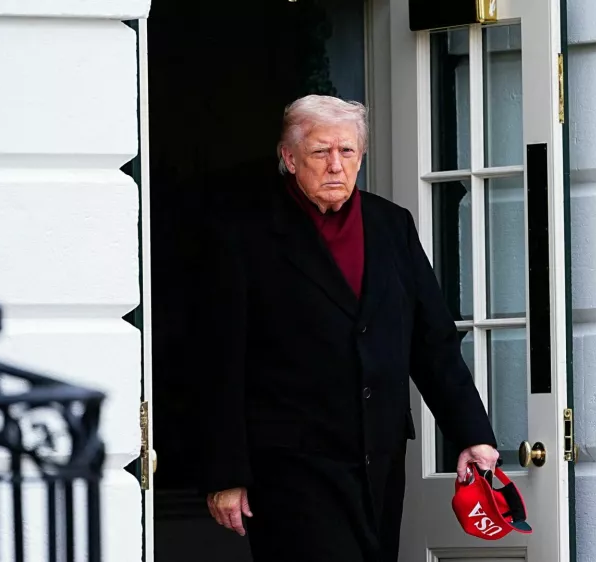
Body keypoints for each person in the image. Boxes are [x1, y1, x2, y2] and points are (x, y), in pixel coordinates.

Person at [196, 94, 499, 562]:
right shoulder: (244, 234)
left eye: (347, 151)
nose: (335, 164)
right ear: (289, 158)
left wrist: (472, 434)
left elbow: (432, 342)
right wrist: (226, 473)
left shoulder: (391, 225)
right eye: (321, 152)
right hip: (291, 465)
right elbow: (219, 360)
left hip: (379, 457)